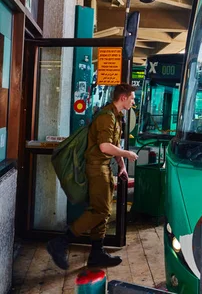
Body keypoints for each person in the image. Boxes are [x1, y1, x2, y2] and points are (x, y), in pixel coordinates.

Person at [47, 83, 139, 269]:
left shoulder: (113, 115)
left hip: (103, 167)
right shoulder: (107, 117)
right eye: (132, 98)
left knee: (100, 211)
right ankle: (61, 242)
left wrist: (121, 165)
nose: (133, 102)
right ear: (123, 97)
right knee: (101, 211)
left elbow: (111, 145)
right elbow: (105, 147)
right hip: (97, 169)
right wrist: (127, 155)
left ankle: (97, 253)